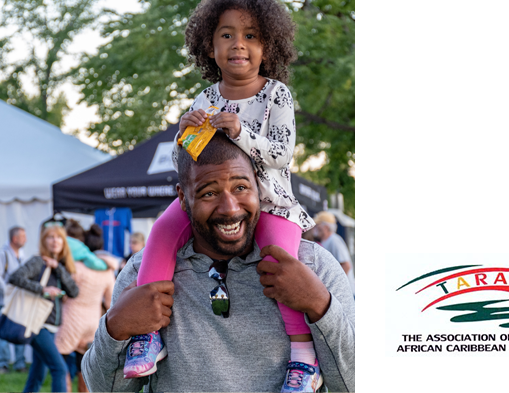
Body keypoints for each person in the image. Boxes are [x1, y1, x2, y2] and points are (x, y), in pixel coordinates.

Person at [124, 0, 318, 391]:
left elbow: (281, 154)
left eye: (250, 36)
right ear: (210, 49)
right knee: (161, 231)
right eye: (226, 36)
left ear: (268, 46)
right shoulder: (206, 98)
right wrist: (185, 132)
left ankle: (302, 358)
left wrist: (240, 132)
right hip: (212, 197)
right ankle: (147, 335)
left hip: (269, 202)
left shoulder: (275, 94)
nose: (238, 45)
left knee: (281, 261)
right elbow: (191, 160)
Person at [81, 130, 355, 392]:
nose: (230, 208)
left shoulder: (313, 265)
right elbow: (107, 389)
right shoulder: (143, 274)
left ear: (260, 187)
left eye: (240, 187)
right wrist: (114, 327)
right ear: (183, 198)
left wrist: (320, 305)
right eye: (209, 193)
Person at [8, 225, 79, 393]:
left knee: (38, 373)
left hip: (51, 326)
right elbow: (15, 277)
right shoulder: (38, 261)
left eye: (59, 237)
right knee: (59, 369)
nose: (55, 241)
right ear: (44, 241)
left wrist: (58, 267)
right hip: (38, 324)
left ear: (64, 242)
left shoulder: (60, 266)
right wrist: (43, 289)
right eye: (50, 237)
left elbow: (74, 292)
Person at [54, 223, 116, 392]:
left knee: (61, 364)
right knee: (85, 365)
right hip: (92, 322)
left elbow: (65, 294)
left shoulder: (74, 268)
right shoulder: (107, 270)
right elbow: (110, 302)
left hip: (70, 320)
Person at [0, 226, 27, 373]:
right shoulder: (3, 254)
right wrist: (8, 292)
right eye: (23, 236)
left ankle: (19, 364)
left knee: (19, 330)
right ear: (14, 238)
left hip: (19, 300)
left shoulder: (22, 255)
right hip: (4, 300)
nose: (26, 239)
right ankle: (3, 364)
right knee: (3, 332)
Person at [313, 212, 355, 296]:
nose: (316, 228)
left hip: (345, 294)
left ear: (326, 227)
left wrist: (332, 287)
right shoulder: (326, 241)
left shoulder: (334, 240)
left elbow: (346, 266)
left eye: (318, 225)